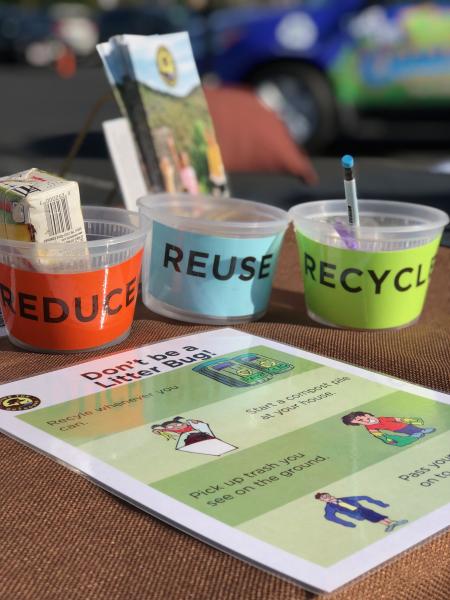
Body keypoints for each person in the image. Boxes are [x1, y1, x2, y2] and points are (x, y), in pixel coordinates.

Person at [315, 492, 408, 533]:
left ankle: (391, 522)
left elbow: (363, 497)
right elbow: (329, 517)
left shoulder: (344, 498)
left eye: (326, 496)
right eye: (323, 498)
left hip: (362, 509)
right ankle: (389, 524)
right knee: (373, 519)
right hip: (357, 513)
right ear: (322, 501)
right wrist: (347, 524)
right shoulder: (330, 507)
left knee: (376, 515)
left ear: (329, 495)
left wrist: (381, 504)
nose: (326, 498)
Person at [151, 416, 236, 456]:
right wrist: (157, 431)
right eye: (171, 427)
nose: (175, 427)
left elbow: (200, 425)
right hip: (189, 440)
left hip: (203, 436)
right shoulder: (170, 431)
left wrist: (195, 422)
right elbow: (157, 431)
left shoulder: (189, 425)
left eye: (178, 425)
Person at [341, 411, 436, 446]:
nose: (363, 422)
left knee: (413, 428)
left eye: (361, 419)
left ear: (366, 414)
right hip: (398, 429)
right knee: (409, 432)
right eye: (359, 422)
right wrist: (387, 439)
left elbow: (396, 419)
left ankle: (421, 431)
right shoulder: (370, 427)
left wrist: (412, 420)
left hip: (403, 424)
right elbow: (378, 434)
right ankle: (416, 435)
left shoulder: (381, 418)